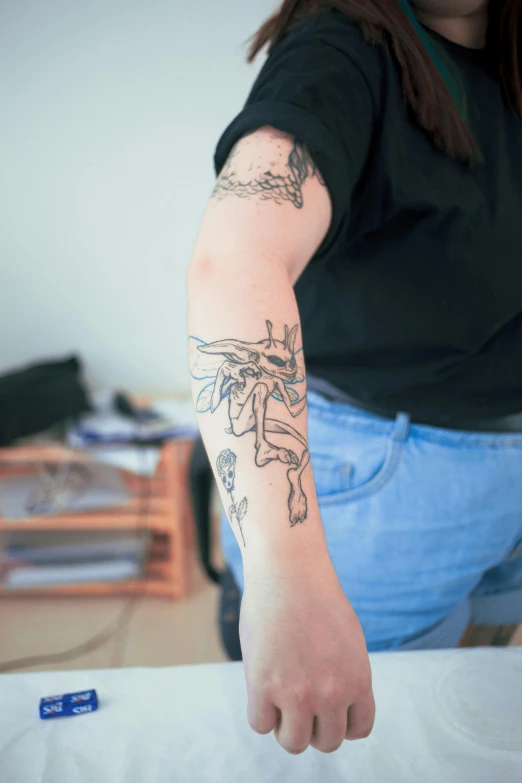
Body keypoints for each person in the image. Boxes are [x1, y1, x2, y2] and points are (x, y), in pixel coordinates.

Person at [187, 0, 522, 756]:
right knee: (377, 755)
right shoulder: (340, 50)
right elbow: (235, 262)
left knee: (473, 733)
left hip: (499, 478)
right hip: (379, 487)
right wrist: (288, 571)